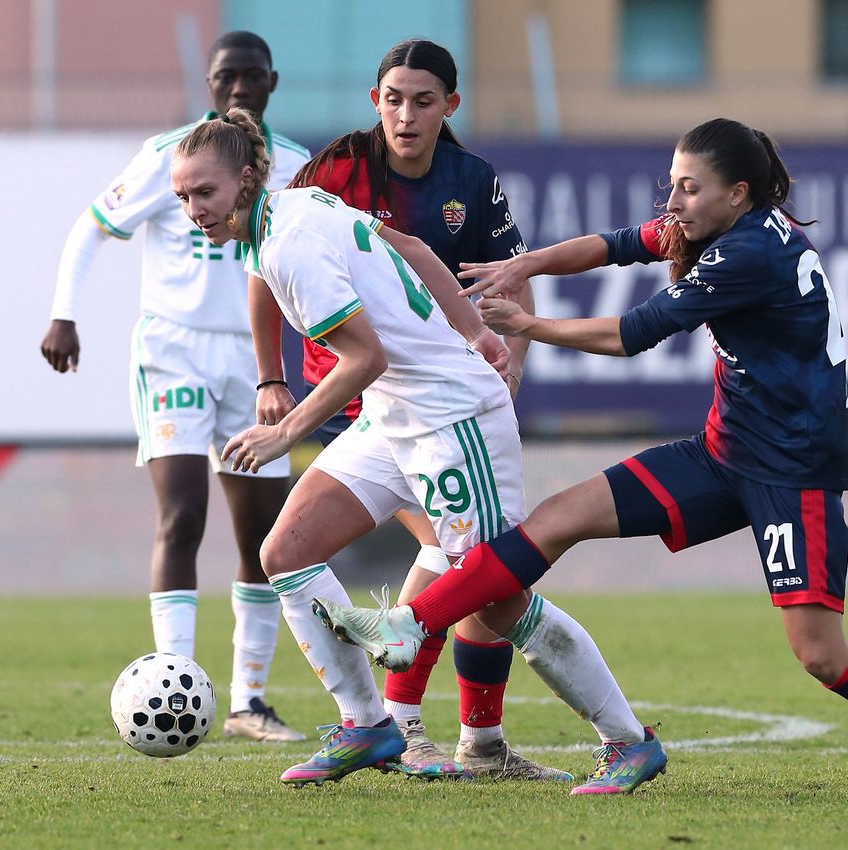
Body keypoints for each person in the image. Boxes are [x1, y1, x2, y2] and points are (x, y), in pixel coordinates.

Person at [316, 118, 848, 803]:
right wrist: (527, 264)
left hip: (791, 475)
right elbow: (615, 245)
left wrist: (528, 326)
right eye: (671, 184)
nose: (674, 202)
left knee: (819, 654)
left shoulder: (748, 253)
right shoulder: (717, 224)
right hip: (722, 454)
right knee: (554, 519)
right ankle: (415, 627)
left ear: (738, 194)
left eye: (689, 188)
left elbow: (633, 333)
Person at [169, 106, 657, 792]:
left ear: (246, 180)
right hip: (392, 415)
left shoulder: (288, 244)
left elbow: (361, 356)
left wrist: (284, 431)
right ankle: (368, 725)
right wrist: (477, 336)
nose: (193, 210)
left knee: (494, 599)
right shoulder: (298, 203)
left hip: (450, 418)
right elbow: (417, 252)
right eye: (183, 197)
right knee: (284, 553)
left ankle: (628, 740)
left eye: (205, 193)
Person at [260, 38, 557, 781]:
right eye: (393, 98)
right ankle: (426, 732)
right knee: (476, 569)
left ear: (448, 107)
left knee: (466, 566)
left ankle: (424, 732)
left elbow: (506, 280)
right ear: (374, 102)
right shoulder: (333, 171)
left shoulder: (470, 181)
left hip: (432, 399)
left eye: (423, 100)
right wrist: (272, 379)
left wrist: (507, 355)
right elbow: (264, 272)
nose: (406, 113)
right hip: (358, 400)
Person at [40, 32, 309, 742]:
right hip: (173, 354)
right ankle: (177, 682)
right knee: (182, 514)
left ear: (271, 82)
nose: (240, 87)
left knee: (263, 535)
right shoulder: (171, 156)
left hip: (257, 365)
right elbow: (92, 228)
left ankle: (249, 702)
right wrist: (63, 313)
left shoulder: (297, 168)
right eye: (228, 76)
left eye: (252, 75)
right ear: (212, 83)